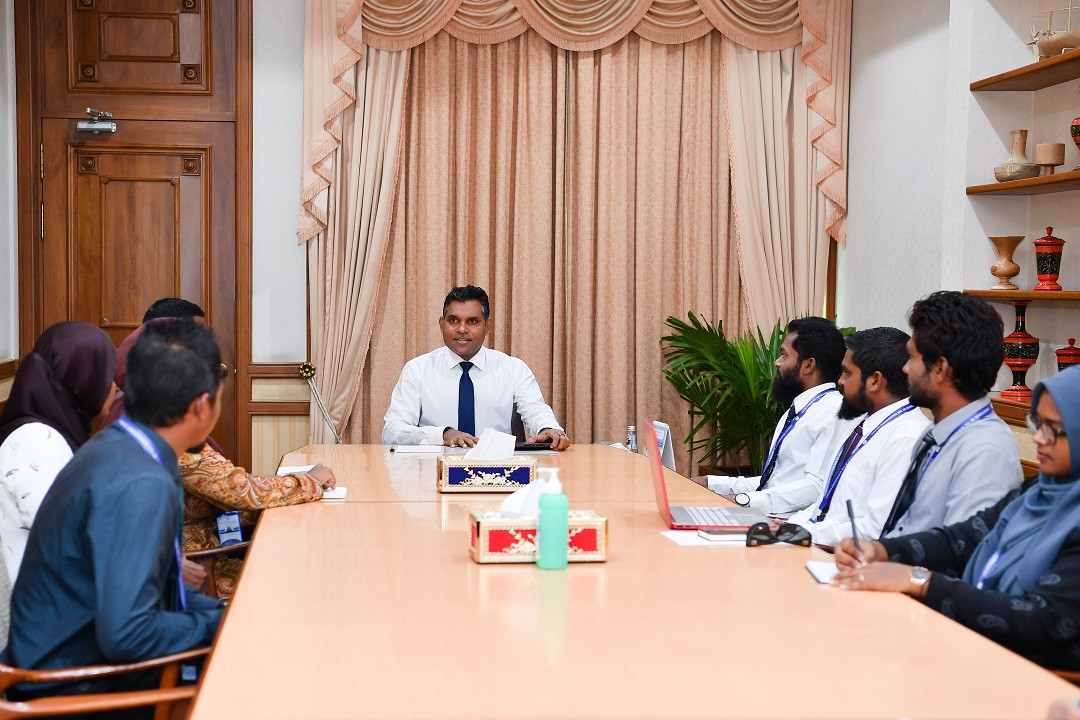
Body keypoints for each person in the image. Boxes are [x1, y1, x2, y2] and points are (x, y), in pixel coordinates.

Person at [4, 319, 225, 705]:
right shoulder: (140, 482)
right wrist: (221, 622)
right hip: (66, 691)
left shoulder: (120, 447)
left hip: (73, 662)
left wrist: (224, 613)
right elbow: (128, 634)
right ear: (202, 406)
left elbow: (159, 595)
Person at [833, 365, 1080, 671]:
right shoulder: (1036, 492)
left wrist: (918, 581)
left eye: (1054, 429)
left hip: (1029, 678)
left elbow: (1041, 618)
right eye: (1037, 423)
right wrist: (881, 551)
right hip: (970, 648)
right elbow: (964, 537)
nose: (1039, 438)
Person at [108, 299, 337, 597]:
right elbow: (237, 488)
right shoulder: (165, 433)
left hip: (190, 557)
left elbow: (224, 483)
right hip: (197, 568)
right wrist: (309, 481)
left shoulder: (132, 416)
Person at [879, 291, 1023, 537]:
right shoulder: (936, 431)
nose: (905, 368)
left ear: (939, 369)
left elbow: (961, 558)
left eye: (912, 357)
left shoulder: (985, 453)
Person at [694, 316, 853, 516]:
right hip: (767, 515)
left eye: (784, 356)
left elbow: (815, 488)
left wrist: (742, 501)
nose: (777, 363)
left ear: (808, 365)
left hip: (788, 526)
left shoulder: (834, 412)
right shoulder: (798, 410)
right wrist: (712, 483)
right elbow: (773, 482)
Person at [787, 327, 930, 546]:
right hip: (818, 543)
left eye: (847, 373)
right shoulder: (864, 425)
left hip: (843, 558)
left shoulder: (906, 438)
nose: (841, 381)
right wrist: (788, 527)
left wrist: (802, 533)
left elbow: (874, 530)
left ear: (875, 381)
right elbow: (827, 506)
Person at [383, 285, 571, 450]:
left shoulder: (513, 369)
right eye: (453, 320)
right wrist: (443, 434)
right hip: (432, 475)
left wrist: (547, 429)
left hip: (498, 474)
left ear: (487, 326)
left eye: (472, 321)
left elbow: (536, 410)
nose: (462, 329)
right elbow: (392, 431)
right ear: (442, 324)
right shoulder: (417, 370)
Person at [0, 322, 117, 585]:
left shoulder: (52, 432)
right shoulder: (38, 442)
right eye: (106, 375)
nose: (114, 388)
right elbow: (70, 542)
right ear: (83, 380)